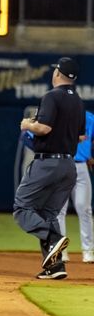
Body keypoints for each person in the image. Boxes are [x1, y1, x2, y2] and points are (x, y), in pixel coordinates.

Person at [14, 57, 86, 280]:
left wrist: (28, 125)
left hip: (48, 164)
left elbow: (43, 128)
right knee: (49, 214)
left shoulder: (51, 96)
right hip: (68, 165)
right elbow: (81, 136)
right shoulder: (78, 102)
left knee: (22, 208)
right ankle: (55, 267)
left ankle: (54, 239)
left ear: (57, 73)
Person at [57, 110, 94, 263]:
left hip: (80, 166)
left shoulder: (89, 118)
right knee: (59, 211)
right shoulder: (56, 115)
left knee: (84, 209)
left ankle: (88, 251)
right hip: (61, 165)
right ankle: (60, 251)